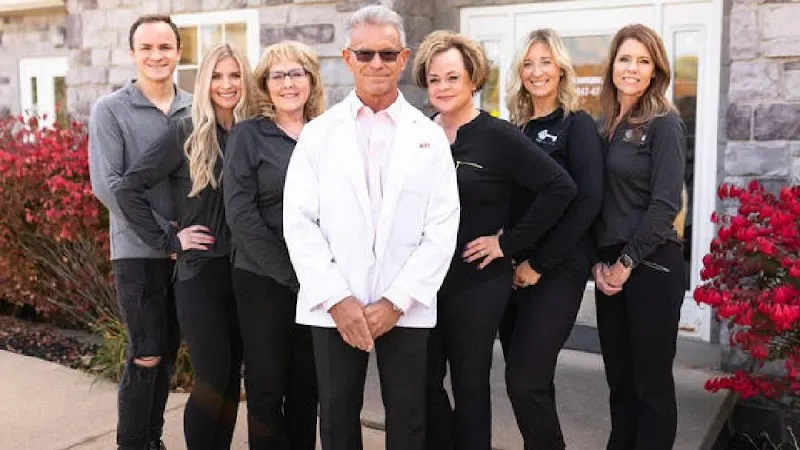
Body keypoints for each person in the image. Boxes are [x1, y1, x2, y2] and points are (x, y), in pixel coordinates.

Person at [282, 5, 460, 450]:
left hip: (406, 302)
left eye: (387, 54)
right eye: (365, 54)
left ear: (403, 59)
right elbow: (299, 223)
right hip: (333, 303)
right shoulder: (318, 134)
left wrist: (397, 301)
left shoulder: (429, 136)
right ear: (348, 59)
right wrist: (336, 298)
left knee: (409, 416)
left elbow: (442, 227)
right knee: (337, 414)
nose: (376, 63)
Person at [412, 30, 578, 450]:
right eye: (434, 79)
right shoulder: (417, 134)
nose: (443, 87)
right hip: (423, 281)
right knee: (423, 384)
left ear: (473, 79)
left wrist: (509, 243)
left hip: (478, 282)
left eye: (453, 77)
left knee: (469, 387)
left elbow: (560, 188)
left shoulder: (497, 135)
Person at [114, 43, 259, 450]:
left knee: (230, 381)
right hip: (201, 275)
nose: (227, 85)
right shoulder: (186, 131)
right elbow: (128, 189)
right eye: (217, 76)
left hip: (247, 274)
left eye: (235, 75)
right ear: (205, 82)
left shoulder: (254, 132)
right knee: (212, 378)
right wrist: (168, 238)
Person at [496, 28, 604, 449]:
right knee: (530, 383)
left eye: (545, 62)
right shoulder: (515, 129)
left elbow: (588, 201)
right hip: (513, 273)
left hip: (556, 270)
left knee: (525, 381)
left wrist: (538, 265)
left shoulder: (576, 125)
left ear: (561, 69)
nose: (536, 71)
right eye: (528, 63)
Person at [88, 15, 191, 450]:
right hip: (137, 252)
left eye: (164, 47)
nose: (156, 55)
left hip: (189, 253)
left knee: (167, 353)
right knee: (146, 352)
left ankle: (152, 438)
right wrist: (164, 236)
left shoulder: (196, 107)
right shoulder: (110, 110)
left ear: (179, 52)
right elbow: (108, 185)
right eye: (146, 47)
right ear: (132, 53)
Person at [223, 40, 324, 450]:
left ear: (311, 80)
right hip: (262, 278)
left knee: (307, 385)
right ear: (264, 85)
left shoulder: (328, 133)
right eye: (277, 75)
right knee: (266, 387)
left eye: (296, 73)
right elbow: (240, 213)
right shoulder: (248, 135)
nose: (288, 83)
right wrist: (291, 272)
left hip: (319, 279)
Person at [592, 24, 686, 450]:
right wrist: (598, 262)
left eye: (643, 61)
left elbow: (665, 206)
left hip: (651, 264)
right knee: (620, 382)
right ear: (612, 64)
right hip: (610, 266)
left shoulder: (664, 124)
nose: (632, 68)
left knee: (651, 385)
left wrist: (625, 264)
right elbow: (596, 200)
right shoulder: (604, 126)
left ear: (655, 71)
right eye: (625, 58)